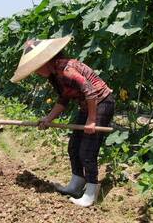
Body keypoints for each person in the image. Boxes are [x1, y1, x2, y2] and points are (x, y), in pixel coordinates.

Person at [10, 36, 115, 207]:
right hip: (87, 105)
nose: (36, 72)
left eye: (36, 67)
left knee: (87, 151)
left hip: (101, 103)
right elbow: (63, 99)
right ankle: (76, 184)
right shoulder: (55, 76)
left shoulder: (66, 69)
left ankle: (91, 192)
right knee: (73, 146)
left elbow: (90, 91)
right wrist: (48, 119)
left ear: (46, 61)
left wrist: (91, 120)